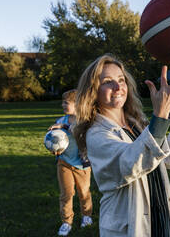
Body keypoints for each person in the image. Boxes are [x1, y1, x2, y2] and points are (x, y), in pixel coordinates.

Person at [73, 54, 170, 237]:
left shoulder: (136, 123)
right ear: (93, 90)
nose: (118, 87)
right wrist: (160, 115)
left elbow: (163, 160)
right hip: (129, 226)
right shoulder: (96, 134)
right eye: (108, 82)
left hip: (159, 214)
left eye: (121, 80)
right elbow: (131, 163)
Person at [48, 89, 93, 236]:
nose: (63, 105)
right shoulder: (60, 121)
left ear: (77, 104)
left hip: (82, 165)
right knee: (66, 194)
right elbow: (52, 139)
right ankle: (66, 222)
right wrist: (54, 149)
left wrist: (64, 127)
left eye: (66, 102)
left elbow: (79, 132)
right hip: (64, 163)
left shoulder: (84, 121)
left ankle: (86, 216)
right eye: (63, 102)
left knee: (84, 192)